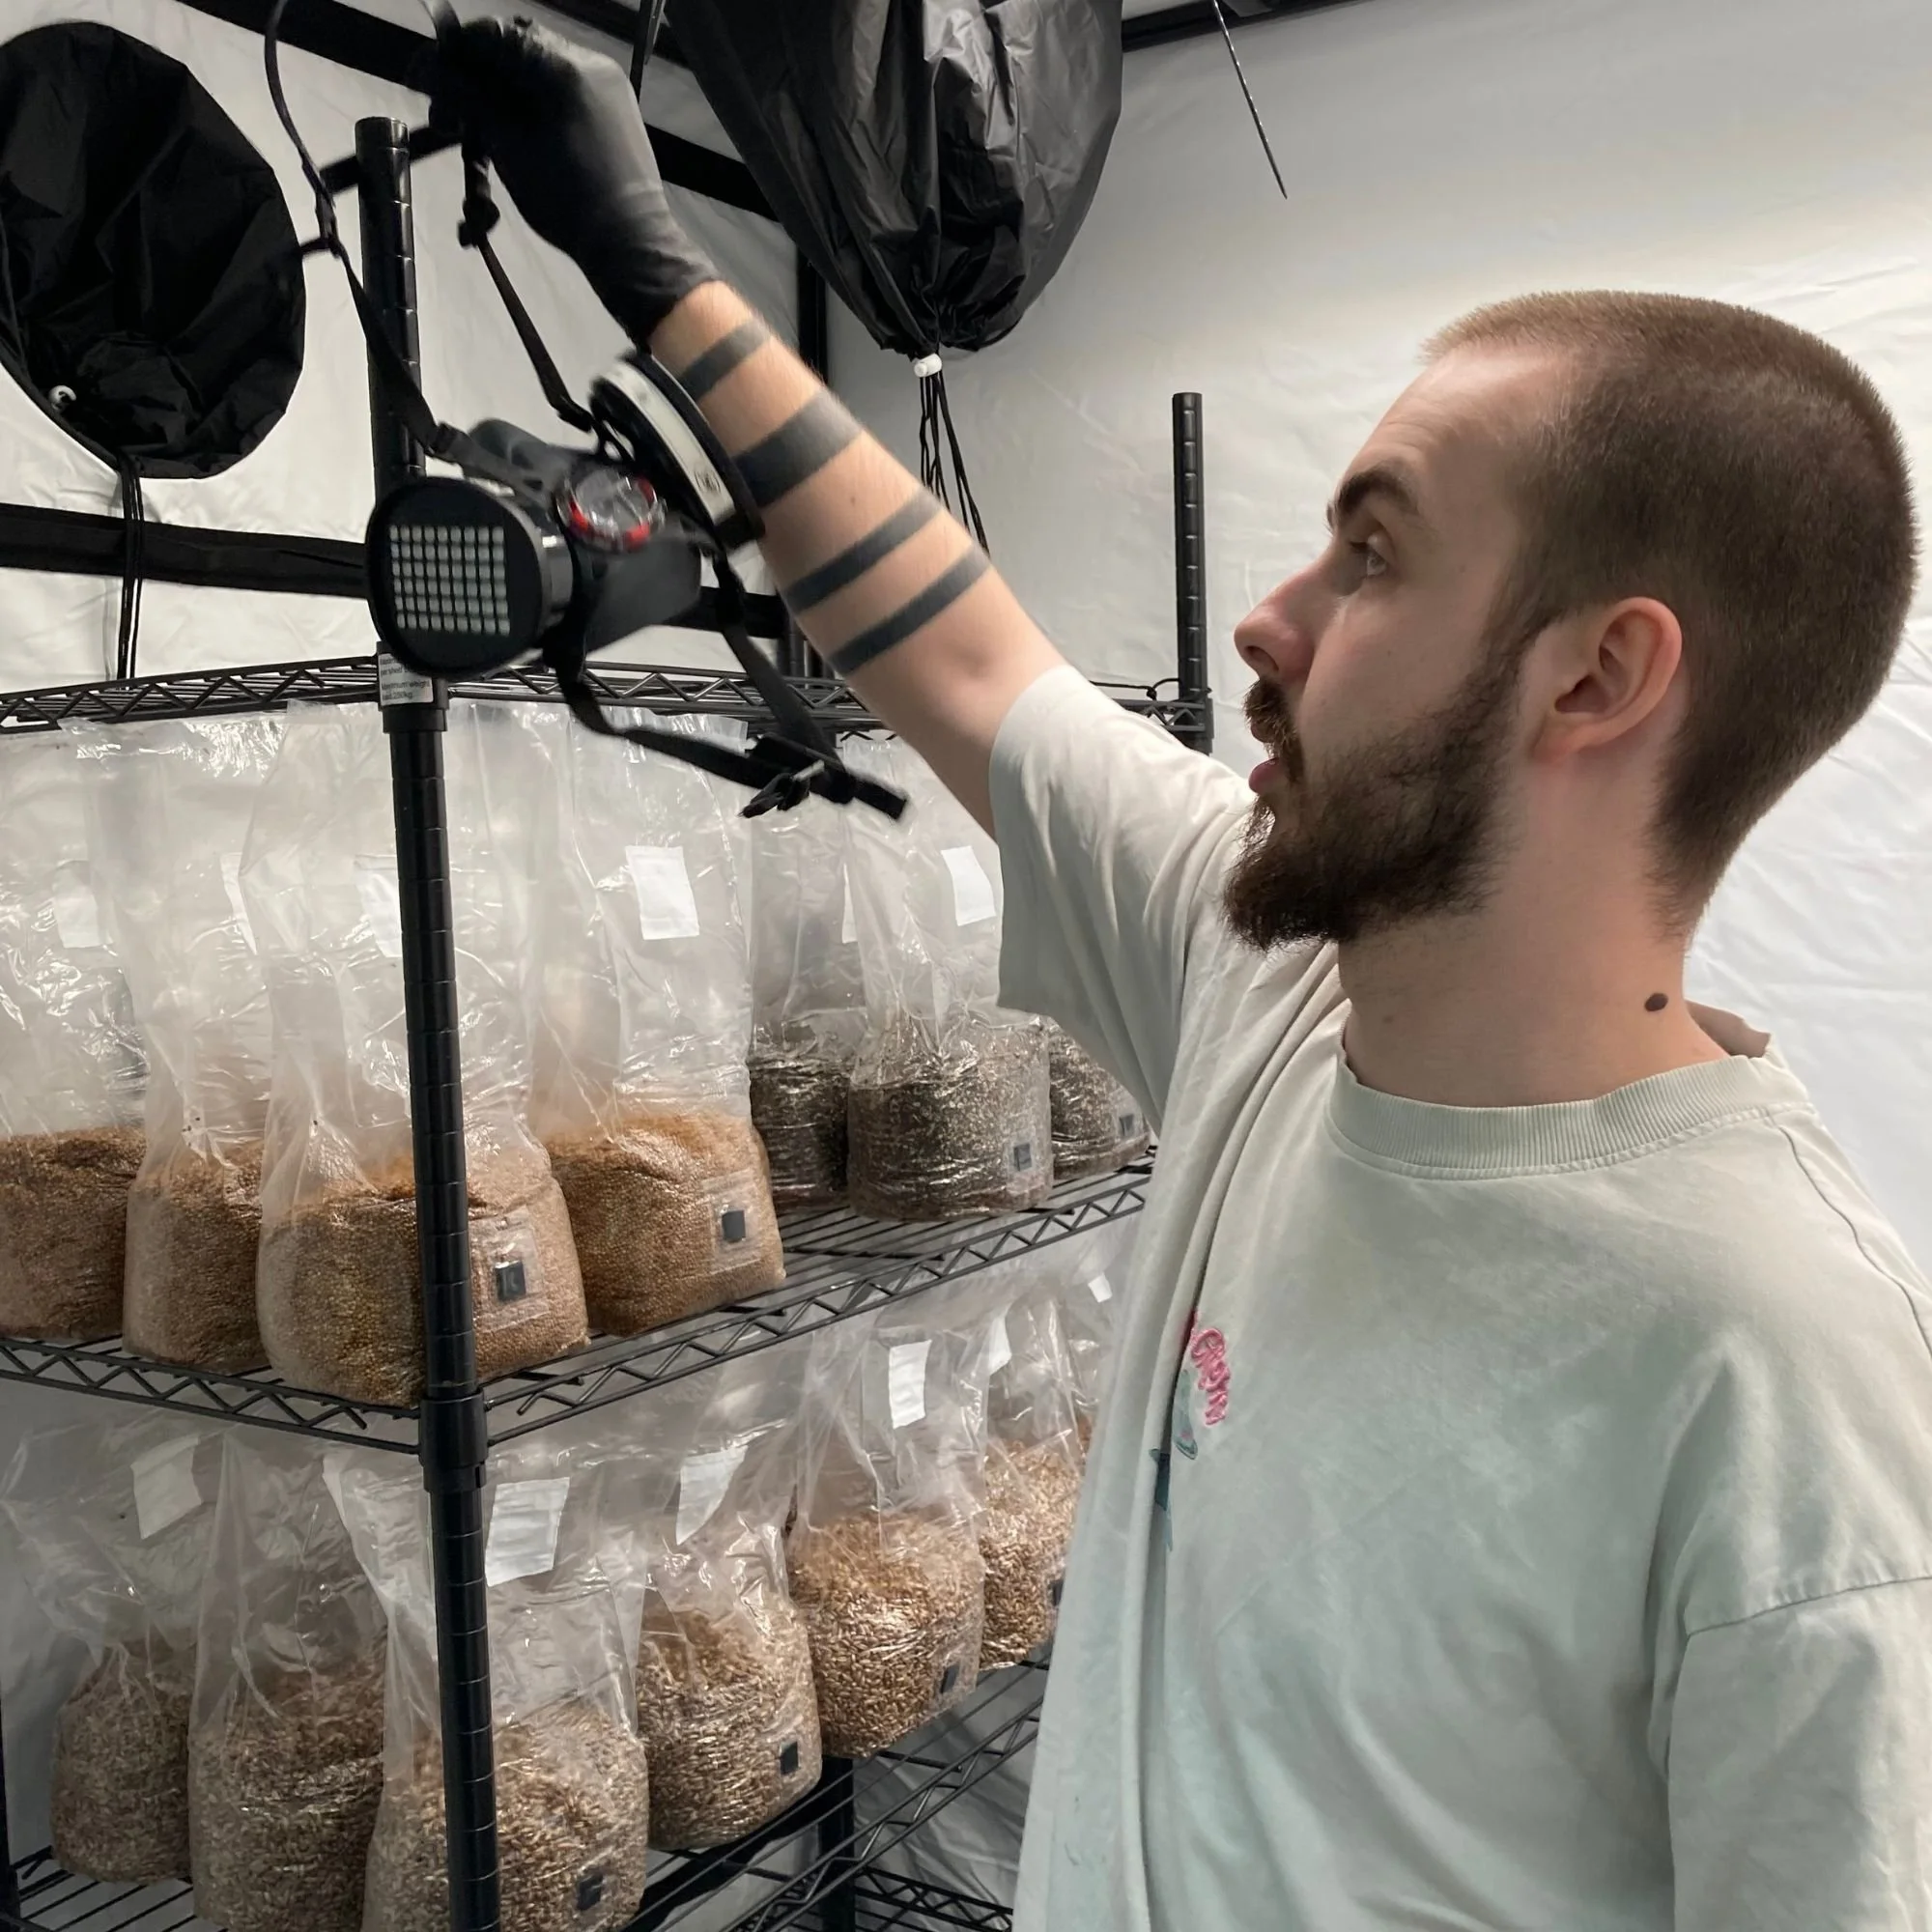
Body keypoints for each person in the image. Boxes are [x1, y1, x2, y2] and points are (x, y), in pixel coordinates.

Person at [437, 21, 1932, 1928]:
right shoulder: (1272, 983)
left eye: (1373, 557)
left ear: (1597, 675)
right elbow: (971, 660)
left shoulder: (1782, 1379)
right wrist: (651, 264)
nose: (1270, 617)